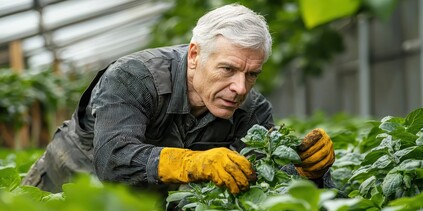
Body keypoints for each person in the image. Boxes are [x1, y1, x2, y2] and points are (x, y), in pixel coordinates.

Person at [22, 3, 335, 196]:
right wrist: (194, 162)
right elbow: (113, 160)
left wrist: (309, 172)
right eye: (228, 69)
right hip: (62, 187)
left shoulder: (251, 110)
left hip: (135, 207)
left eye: (252, 74)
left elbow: (268, 174)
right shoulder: (133, 77)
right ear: (195, 54)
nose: (240, 87)